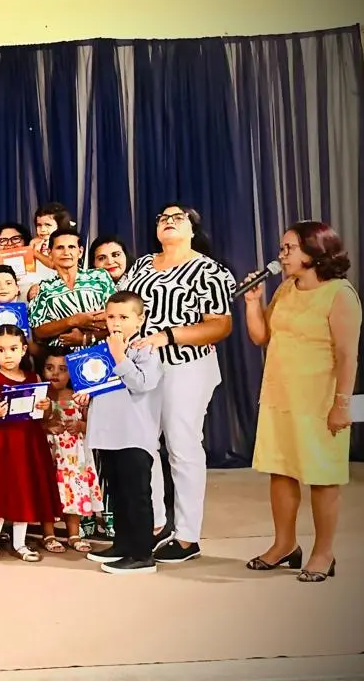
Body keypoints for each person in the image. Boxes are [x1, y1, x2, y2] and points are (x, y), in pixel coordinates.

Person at [244, 221, 361, 583]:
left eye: (289, 248)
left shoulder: (340, 294)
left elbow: (348, 356)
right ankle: (284, 545)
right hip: (280, 396)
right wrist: (252, 302)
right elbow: (261, 336)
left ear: (314, 251)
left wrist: (342, 404)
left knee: (323, 477)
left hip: (319, 401)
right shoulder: (285, 288)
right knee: (280, 471)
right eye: (282, 248)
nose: (281, 255)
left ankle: (324, 552)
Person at [121, 204, 236, 563]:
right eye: (162, 218)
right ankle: (154, 523)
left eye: (177, 218)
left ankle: (187, 536)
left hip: (185, 365)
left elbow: (220, 325)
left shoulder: (208, 270)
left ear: (192, 228)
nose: (168, 222)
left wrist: (168, 336)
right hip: (142, 365)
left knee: (182, 446)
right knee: (142, 444)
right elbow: (123, 306)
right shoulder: (142, 264)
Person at [80, 291, 165, 574]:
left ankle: (142, 554)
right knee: (116, 493)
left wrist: (118, 355)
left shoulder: (146, 350)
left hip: (133, 436)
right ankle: (123, 544)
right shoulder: (100, 350)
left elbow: (143, 383)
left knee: (136, 495)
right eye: (111, 316)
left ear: (139, 320)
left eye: (124, 317)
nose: (116, 323)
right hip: (107, 434)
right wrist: (85, 393)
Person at [0, 324, 61, 563]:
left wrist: (47, 407)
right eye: (1, 350)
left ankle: (20, 543)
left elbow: (44, 415)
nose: (8, 355)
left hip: (28, 441)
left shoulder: (34, 378)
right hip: (0, 443)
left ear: (23, 350)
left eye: (13, 349)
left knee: (24, 489)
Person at [39, 349, 102, 553]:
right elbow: (32, 423)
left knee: (74, 490)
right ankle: (48, 534)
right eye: (50, 368)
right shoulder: (41, 396)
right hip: (49, 452)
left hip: (74, 456)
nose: (55, 373)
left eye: (62, 369)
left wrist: (81, 426)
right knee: (48, 490)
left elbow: (94, 423)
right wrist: (46, 426)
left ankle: (74, 534)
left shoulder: (79, 397)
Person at [29, 227, 117, 350]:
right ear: (50, 253)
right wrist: (72, 321)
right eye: (60, 248)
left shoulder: (99, 276)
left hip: (102, 353)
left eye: (71, 247)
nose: (66, 252)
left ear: (80, 252)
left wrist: (86, 338)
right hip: (61, 357)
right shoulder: (44, 288)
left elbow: (116, 316)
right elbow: (38, 331)